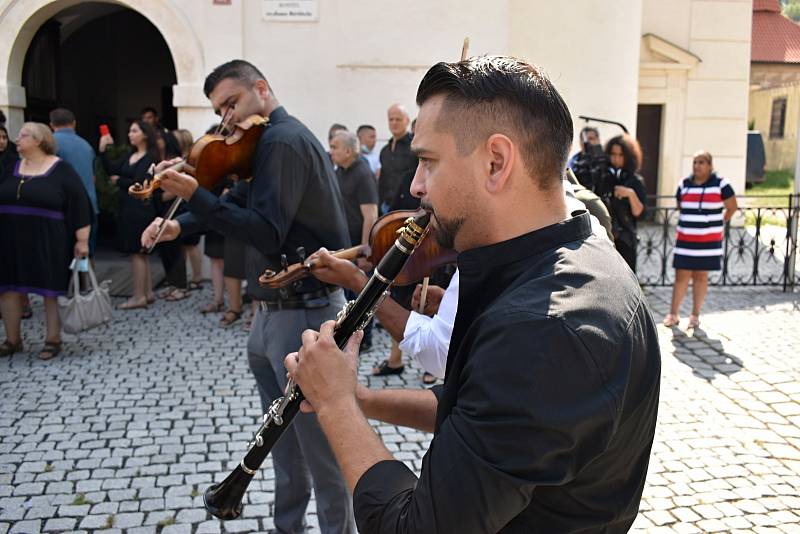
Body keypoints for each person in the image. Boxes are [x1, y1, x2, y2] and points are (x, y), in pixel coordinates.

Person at [284, 55, 661, 532]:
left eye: (427, 161)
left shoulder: (543, 329)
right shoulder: (572, 254)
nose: (417, 186)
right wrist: (357, 397)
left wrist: (337, 407)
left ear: (496, 162)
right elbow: (475, 406)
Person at [139, 59, 355, 533]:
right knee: (282, 445)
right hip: (272, 314)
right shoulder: (260, 143)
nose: (227, 119)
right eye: (220, 109)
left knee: (323, 453)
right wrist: (181, 223)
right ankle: (288, 527)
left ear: (261, 88)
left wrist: (195, 195)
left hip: (304, 311)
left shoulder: (284, 140)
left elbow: (267, 231)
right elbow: (236, 203)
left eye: (232, 104)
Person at [0, 122, 90, 360]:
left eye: (23, 135)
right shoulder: (10, 167)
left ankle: (52, 339)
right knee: (8, 288)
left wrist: (82, 240)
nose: (16, 140)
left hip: (48, 239)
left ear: (38, 140)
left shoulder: (61, 170)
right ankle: (12, 339)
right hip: (10, 238)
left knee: (50, 289)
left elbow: (80, 205)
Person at [664, 150, 737, 328]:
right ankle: (673, 314)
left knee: (701, 276)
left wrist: (717, 224)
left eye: (701, 162)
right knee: (681, 276)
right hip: (685, 241)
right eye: (695, 162)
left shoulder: (721, 185)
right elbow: (681, 206)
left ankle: (695, 316)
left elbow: (732, 207)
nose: (697, 166)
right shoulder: (684, 185)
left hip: (708, 243)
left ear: (710, 166)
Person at [99, 120, 160, 309]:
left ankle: (138, 296)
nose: (130, 134)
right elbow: (112, 169)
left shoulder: (150, 157)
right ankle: (147, 292)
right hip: (128, 207)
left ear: (145, 135)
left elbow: (140, 182)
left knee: (137, 253)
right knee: (140, 254)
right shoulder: (130, 155)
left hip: (140, 209)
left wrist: (119, 181)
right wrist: (102, 151)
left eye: (134, 131)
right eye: (130, 131)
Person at [329, 130, 378, 349]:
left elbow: (370, 215)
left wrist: (365, 251)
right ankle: (348, 336)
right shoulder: (340, 171)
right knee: (348, 296)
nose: (331, 151)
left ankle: (364, 339)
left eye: (335, 147)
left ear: (349, 151)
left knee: (362, 294)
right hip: (343, 244)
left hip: (358, 248)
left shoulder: (362, 173)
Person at [50, 108, 99, 258]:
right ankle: (86, 282)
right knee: (86, 256)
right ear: (74, 123)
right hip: (90, 207)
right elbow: (93, 178)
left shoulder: (51, 144)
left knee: (63, 258)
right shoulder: (86, 145)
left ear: (51, 125)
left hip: (65, 209)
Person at [603, 134, 647, 273]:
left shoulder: (635, 181)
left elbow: (640, 213)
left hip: (626, 240)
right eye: (613, 154)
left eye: (620, 155)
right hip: (604, 239)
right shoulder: (603, 178)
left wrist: (630, 194)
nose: (616, 158)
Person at [378, 104, 416, 215]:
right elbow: (383, 180)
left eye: (398, 119)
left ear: (407, 121)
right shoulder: (385, 151)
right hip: (386, 207)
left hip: (409, 209)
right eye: (391, 119)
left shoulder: (415, 146)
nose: (394, 122)